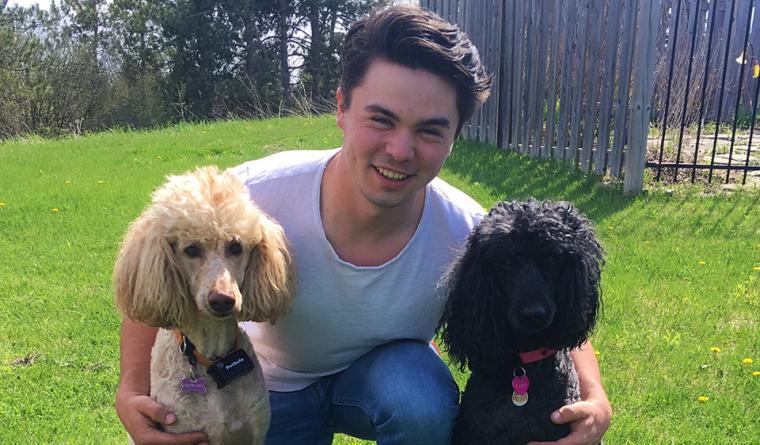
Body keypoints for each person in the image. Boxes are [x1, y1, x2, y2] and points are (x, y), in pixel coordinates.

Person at [115, 5, 611, 445]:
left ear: (456, 136)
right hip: (263, 385)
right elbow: (157, 271)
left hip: (383, 383)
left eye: (430, 130)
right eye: (382, 119)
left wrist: (594, 396)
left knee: (420, 400)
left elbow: (545, 294)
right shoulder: (246, 199)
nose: (400, 150)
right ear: (342, 109)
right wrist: (132, 391)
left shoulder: (470, 230)